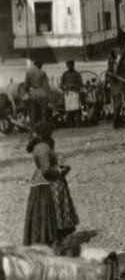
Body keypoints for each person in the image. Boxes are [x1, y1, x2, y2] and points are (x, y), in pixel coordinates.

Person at [24, 120, 79, 251]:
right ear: (46, 133)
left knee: (43, 212)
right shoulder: (42, 147)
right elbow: (46, 170)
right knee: (52, 210)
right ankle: (52, 239)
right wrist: (61, 170)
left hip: (40, 182)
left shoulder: (39, 145)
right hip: (47, 183)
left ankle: (47, 237)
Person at [24, 60, 50, 126]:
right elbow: (46, 85)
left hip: (33, 93)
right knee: (43, 111)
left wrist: (27, 92)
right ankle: (43, 125)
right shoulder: (43, 73)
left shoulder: (29, 72)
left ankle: (33, 126)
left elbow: (26, 85)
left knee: (32, 111)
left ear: (34, 64)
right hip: (42, 93)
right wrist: (47, 94)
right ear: (40, 65)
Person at [60, 61, 84, 127]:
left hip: (75, 93)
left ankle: (77, 123)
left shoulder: (77, 74)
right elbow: (61, 84)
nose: (70, 66)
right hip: (67, 94)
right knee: (69, 109)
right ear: (67, 66)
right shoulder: (64, 74)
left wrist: (73, 85)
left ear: (73, 65)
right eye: (68, 65)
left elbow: (80, 84)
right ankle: (70, 124)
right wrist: (65, 86)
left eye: (71, 65)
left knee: (76, 109)